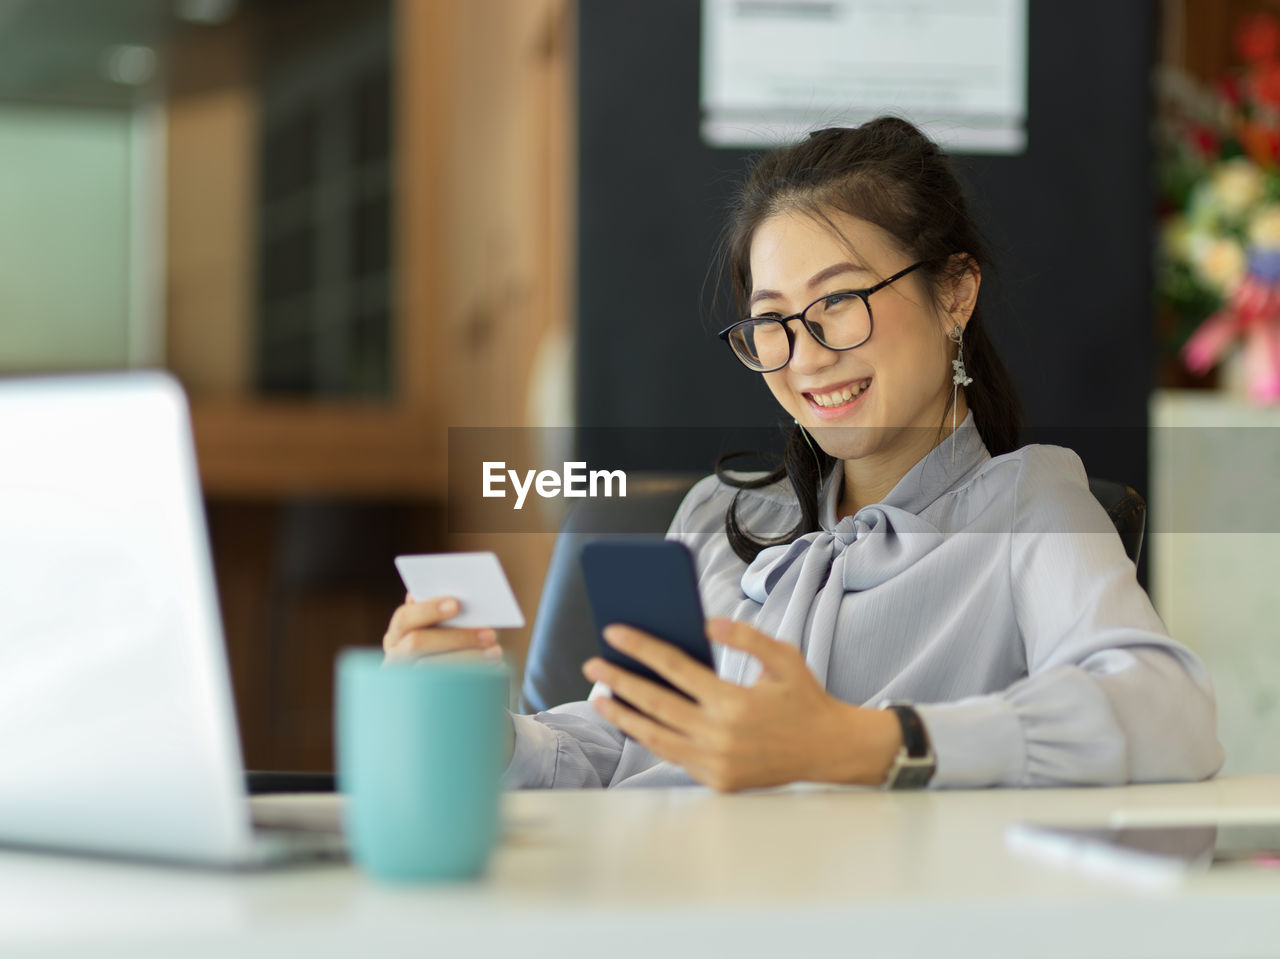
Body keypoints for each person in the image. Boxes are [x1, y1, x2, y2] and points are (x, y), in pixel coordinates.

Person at [383, 117, 1225, 791]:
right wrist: (478, 728)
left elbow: (1171, 713)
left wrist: (862, 742)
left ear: (955, 292)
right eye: (773, 320)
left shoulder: (1029, 503)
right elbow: (621, 746)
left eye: (842, 302)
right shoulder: (720, 516)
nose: (806, 354)